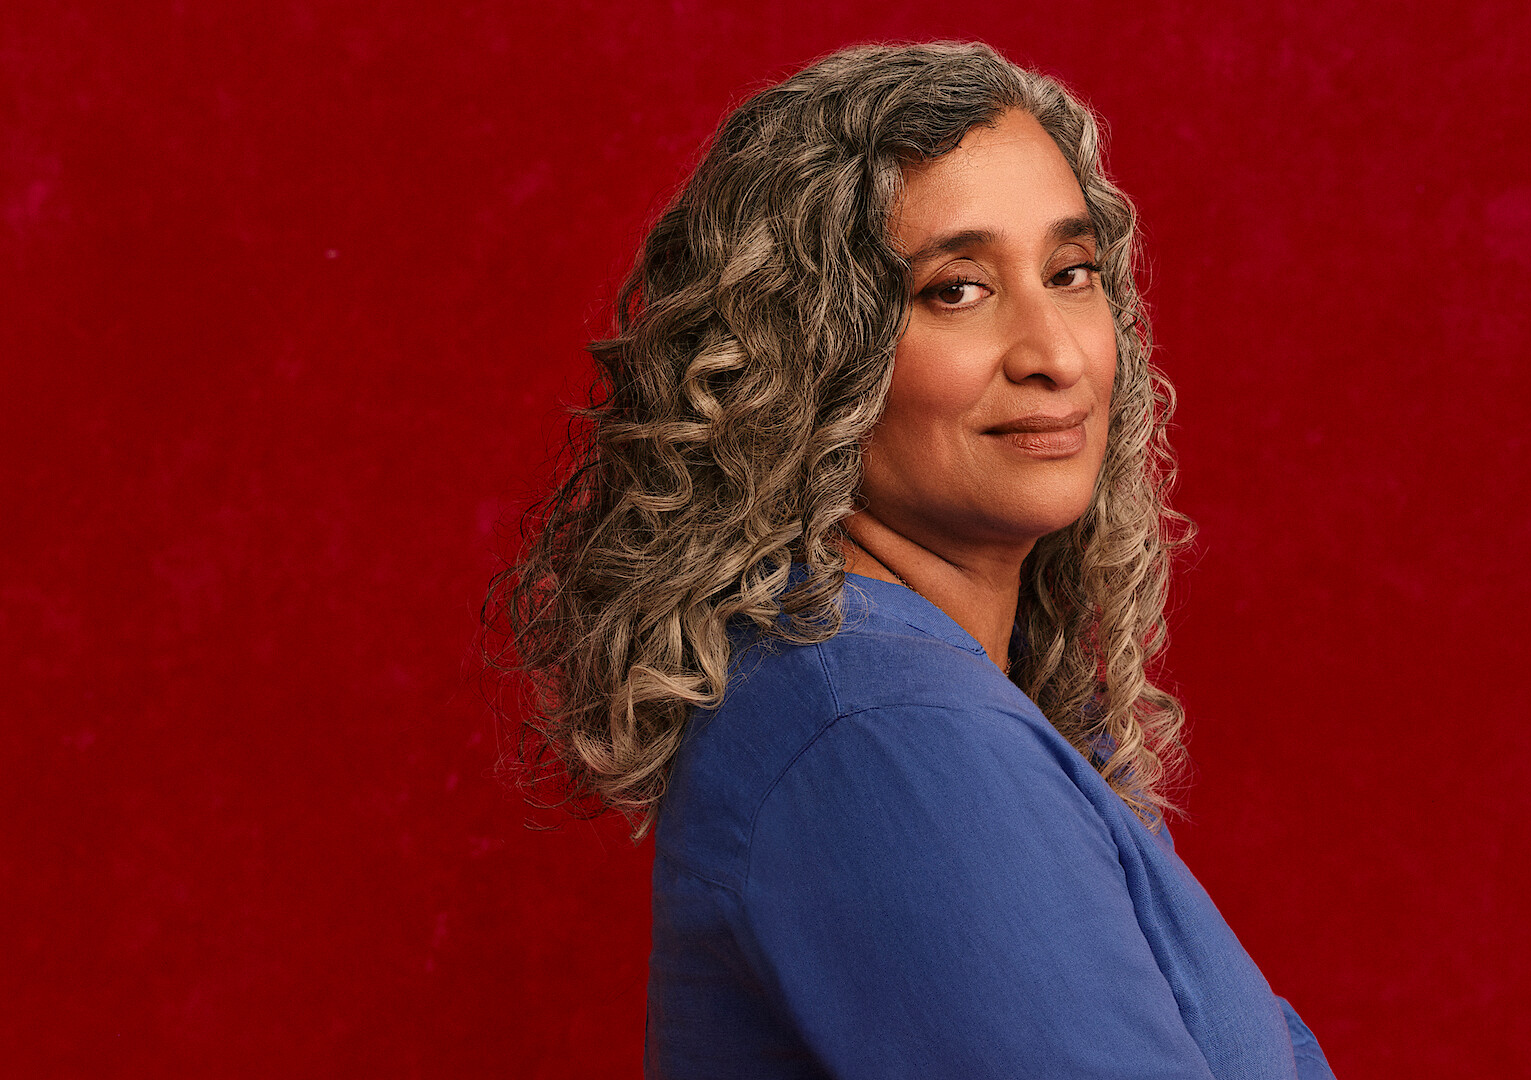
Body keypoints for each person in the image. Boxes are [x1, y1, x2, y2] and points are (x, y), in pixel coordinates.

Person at [500, 41, 1336, 1079]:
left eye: (1071, 274)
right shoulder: (884, 728)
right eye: (955, 289)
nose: (1055, 353)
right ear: (808, 359)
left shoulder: (899, 694)